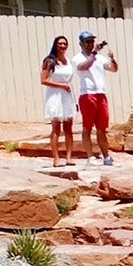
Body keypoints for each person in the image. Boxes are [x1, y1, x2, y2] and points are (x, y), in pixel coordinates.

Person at [71, 30, 119, 166]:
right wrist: (94, 53)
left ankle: (106, 156)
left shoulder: (100, 57)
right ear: (81, 43)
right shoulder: (77, 58)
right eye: (87, 41)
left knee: (102, 128)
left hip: (101, 94)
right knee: (87, 127)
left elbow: (112, 69)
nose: (90, 44)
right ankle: (90, 156)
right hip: (87, 95)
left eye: (92, 41)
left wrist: (112, 59)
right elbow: (85, 66)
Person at [39, 35, 76, 168]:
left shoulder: (68, 61)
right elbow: (44, 80)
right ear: (55, 45)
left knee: (68, 128)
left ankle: (69, 157)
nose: (62, 46)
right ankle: (56, 158)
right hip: (55, 95)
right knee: (56, 128)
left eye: (65, 44)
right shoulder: (49, 61)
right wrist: (60, 86)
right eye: (60, 44)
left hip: (67, 96)